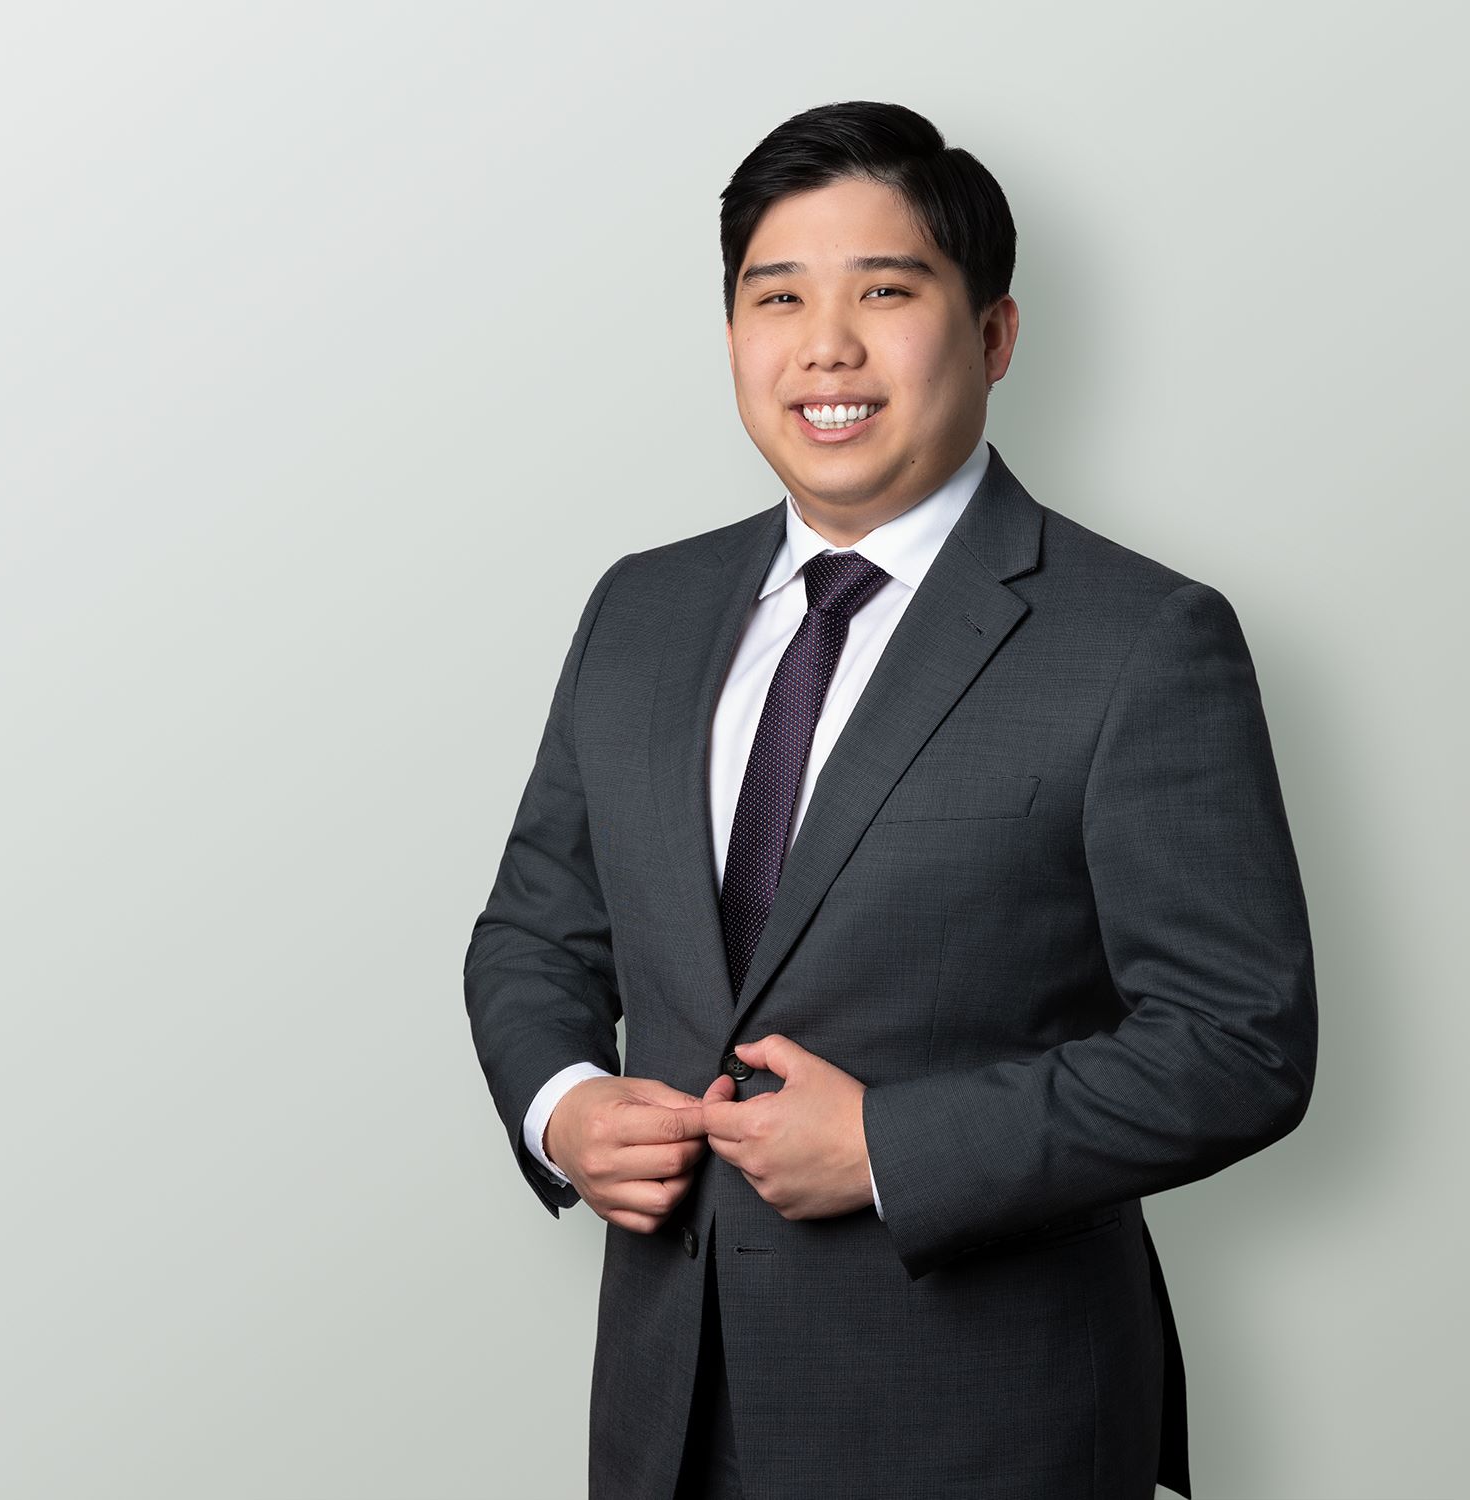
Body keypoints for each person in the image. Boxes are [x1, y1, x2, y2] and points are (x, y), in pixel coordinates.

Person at [463, 99, 1317, 1500]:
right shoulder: (640, 610)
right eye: (777, 297)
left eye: (885, 292)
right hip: (667, 1414)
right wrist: (561, 1105)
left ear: (994, 334)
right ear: (731, 334)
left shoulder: (1141, 639)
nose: (826, 347)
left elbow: (1242, 1043)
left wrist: (889, 1150)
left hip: (988, 1428)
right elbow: (533, 934)